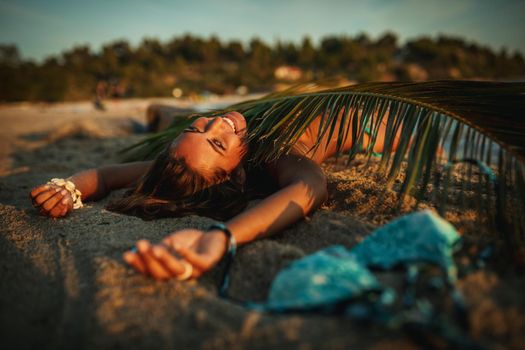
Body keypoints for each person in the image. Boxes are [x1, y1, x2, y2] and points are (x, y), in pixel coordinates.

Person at [29, 110, 394, 281]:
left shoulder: (211, 147)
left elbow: (107, 177)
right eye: (218, 142)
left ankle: (160, 115)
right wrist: (221, 238)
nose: (216, 122)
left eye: (197, 128)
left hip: (283, 105)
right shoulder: (277, 155)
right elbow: (308, 189)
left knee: (164, 113)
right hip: (372, 124)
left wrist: (69, 187)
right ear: (235, 173)